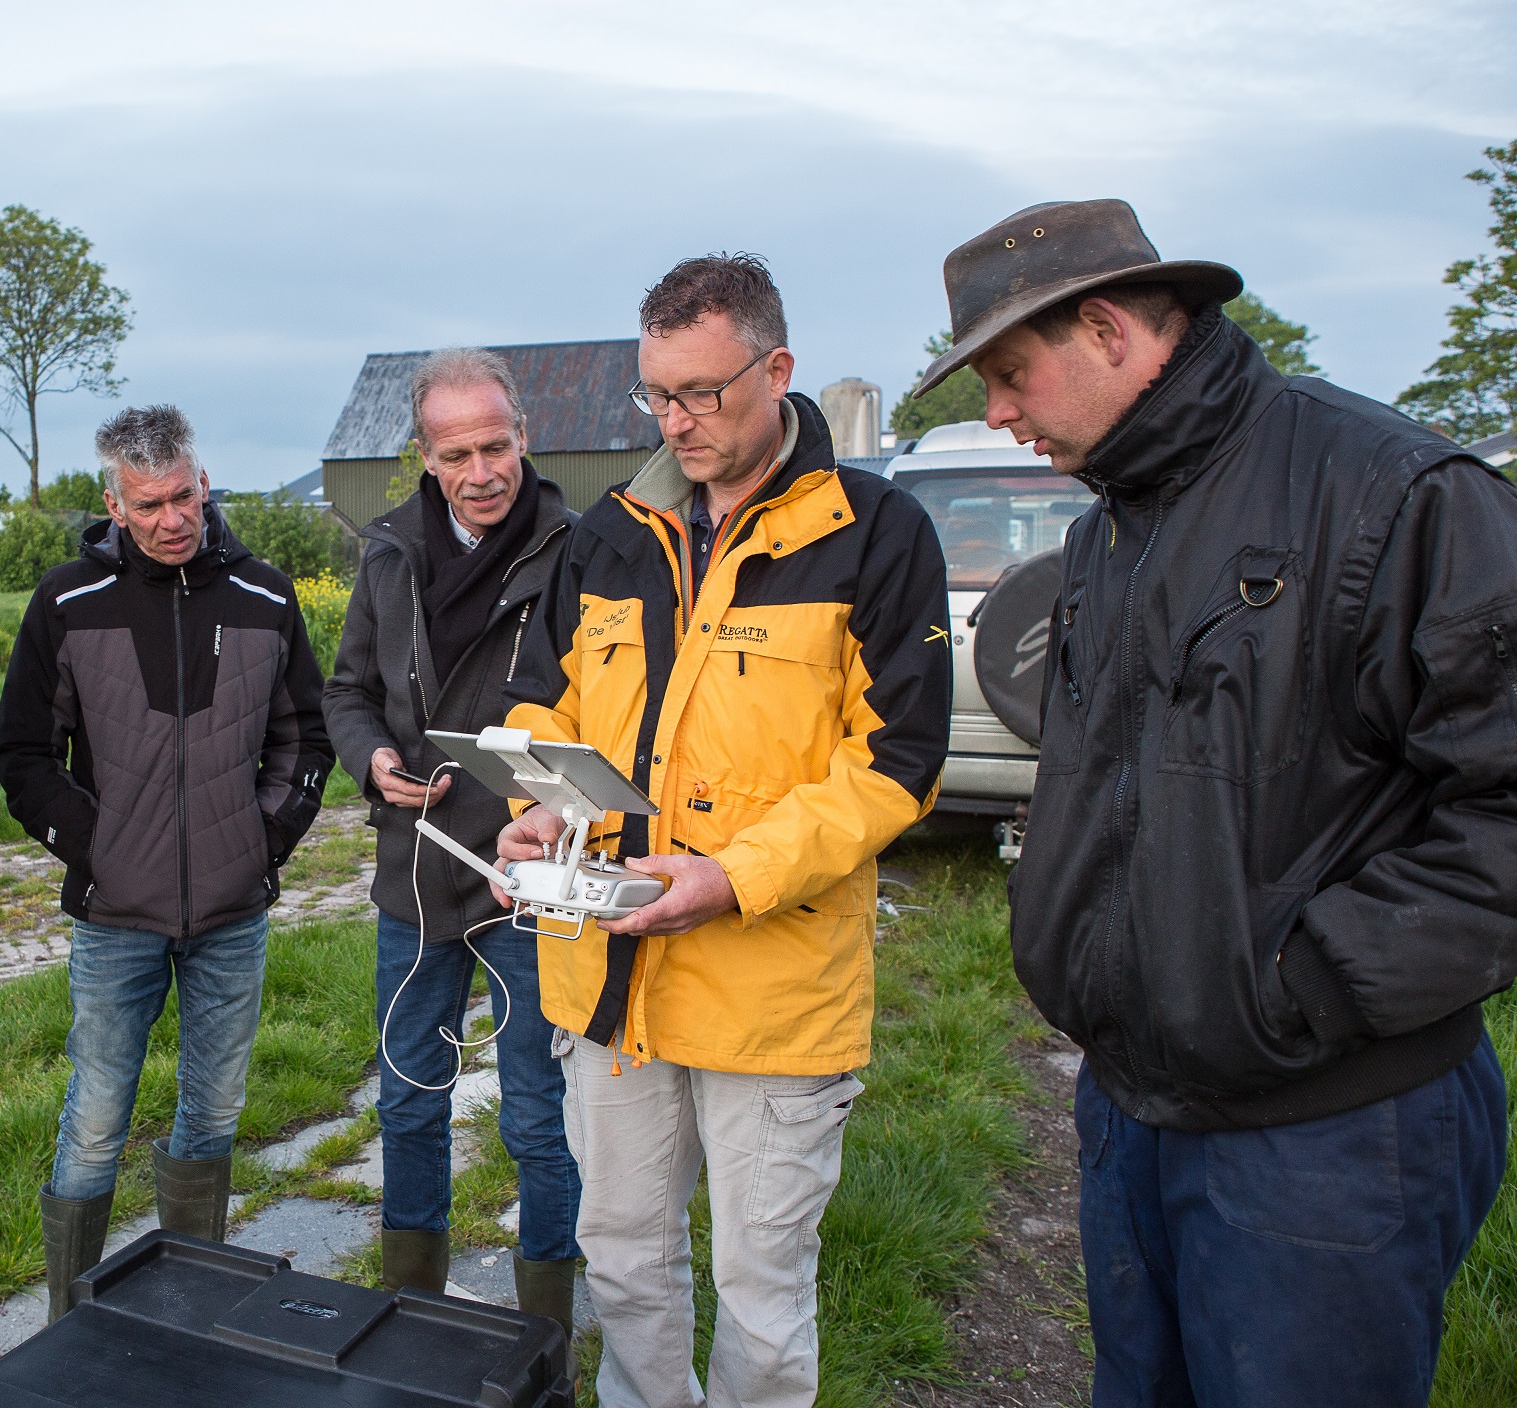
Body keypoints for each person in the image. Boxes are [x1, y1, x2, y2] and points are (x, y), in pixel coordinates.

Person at [912, 198, 1516, 1407]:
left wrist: (1303, 988)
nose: (998, 414)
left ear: (1108, 330)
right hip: (1132, 1107)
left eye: (1011, 375)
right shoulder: (1108, 535)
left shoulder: (1394, 495)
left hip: (1327, 1133)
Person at [496, 255, 953, 1408]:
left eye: (702, 392)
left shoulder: (878, 535)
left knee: (760, 1289)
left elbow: (897, 766)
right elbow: (544, 704)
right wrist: (536, 801)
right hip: (610, 977)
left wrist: (733, 878)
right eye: (657, 394)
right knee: (628, 1262)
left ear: (778, 369)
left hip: (773, 989)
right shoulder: (611, 534)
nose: (676, 420)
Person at [0, 404, 333, 1318]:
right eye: (147, 506)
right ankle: (74, 1321)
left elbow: (305, 740)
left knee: (213, 1116)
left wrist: (260, 844)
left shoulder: (265, 596)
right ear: (113, 501)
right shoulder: (66, 602)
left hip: (232, 916)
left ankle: (191, 1309)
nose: (171, 520)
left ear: (204, 482)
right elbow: (21, 757)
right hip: (115, 920)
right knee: (97, 1122)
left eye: (183, 496)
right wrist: (97, 850)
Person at [322, 349, 583, 1332]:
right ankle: (410, 1310)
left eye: (498, 445)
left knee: (535, 1117)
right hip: (418, 877)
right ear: (425, 457)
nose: (482, 470)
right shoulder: (388, 552)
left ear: (525, 437)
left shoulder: (581, 549)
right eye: (458, 452)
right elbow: (347, 689)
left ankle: (545, 1327)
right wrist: (373, 761)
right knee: (408, 1100)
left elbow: (615, 709)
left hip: (528, 878)